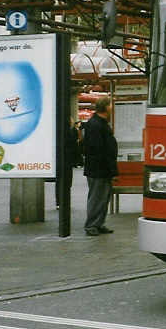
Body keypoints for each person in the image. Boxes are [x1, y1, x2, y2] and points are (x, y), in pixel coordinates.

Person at [82, 96, 118, 236]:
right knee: (97, 198)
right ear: (106, 107)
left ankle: (98, 223)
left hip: (103, 169)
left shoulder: (100, 123)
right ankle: (91, 225)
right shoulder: (96, 125)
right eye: (110, 105)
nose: (112, 108)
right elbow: (98, 149)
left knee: (103, 198)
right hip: (98, 169)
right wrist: (110, 168)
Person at [56, 117, 81, 209]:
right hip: (66, 160)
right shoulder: (68, 132)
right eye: (71, 120)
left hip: (61, 160)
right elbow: (72, 146)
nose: (73, 121)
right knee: (66, 182)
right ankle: (63, 201)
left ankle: (59, 202)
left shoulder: (59, 131)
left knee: (61, 182)